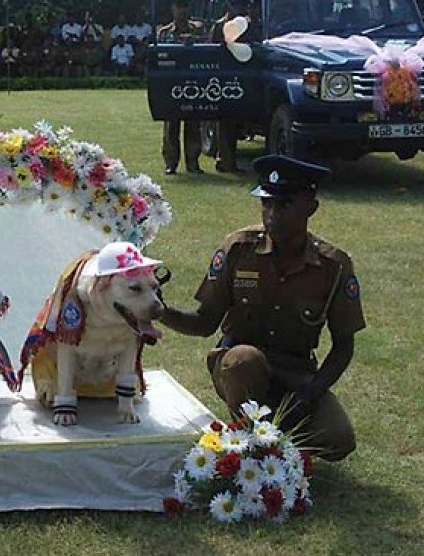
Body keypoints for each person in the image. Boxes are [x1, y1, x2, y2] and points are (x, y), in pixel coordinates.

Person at [159, 155, 363, 462]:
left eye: (284, 205)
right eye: (266, 204)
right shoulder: (239, 249)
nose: (272, 214)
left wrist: (310, 394)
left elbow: (344, 345)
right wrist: (158, 310)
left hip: (295, 375)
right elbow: (204, 323)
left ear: (311, 208)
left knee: (337, 439)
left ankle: (277, 439)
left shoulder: (333, 266)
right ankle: (249, 441)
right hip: (239, 366)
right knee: (244, 361)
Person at [210, 0, 258, 173]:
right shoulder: (219, 26)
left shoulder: (249, 25)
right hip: (223, 78)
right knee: (224, 122)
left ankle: (229, 159)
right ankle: (224, 160)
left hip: (243, 77)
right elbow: (213, 51)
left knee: (236, 123)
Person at [157, 0, 205, 175]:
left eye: (184, 6)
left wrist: (192, 42)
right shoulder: (164, 32)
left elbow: (206, 50)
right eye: (178, 6)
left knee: (193, 124)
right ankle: (171, 163)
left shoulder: (198, 29)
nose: (181, 10)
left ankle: (193, 162)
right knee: (171, 126)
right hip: (172, 83)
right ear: (172, 9)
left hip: (193, 82)